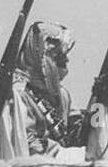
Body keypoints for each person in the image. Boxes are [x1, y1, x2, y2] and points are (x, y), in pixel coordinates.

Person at [13, 21, 74, 156]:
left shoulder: (62, 95)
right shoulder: (19, 94)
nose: (65, 61)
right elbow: (31, 147)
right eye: (57, 55)